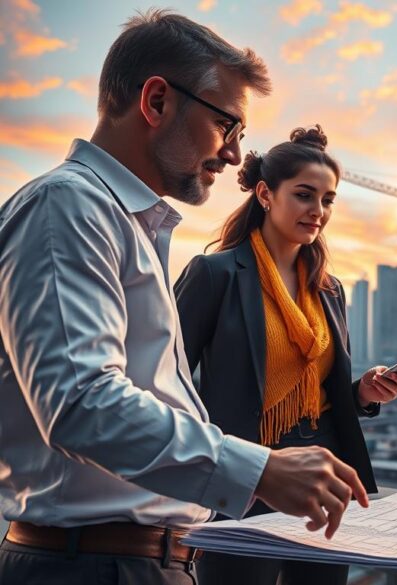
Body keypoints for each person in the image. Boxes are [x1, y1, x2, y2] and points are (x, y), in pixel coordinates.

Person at [0, 11, 370, 584]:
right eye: (229, 126)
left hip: (146, 559)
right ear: (156, 102)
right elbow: (81, 403)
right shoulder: (67, 208)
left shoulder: (129, 228)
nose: (233, 155)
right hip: (95, 566)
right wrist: (261, 468)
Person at [175, 124, 397, 584]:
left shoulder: (329, 289)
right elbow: (165, 384)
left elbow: (322, 396)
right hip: (246, 484)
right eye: (305, 195)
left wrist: (365, 393)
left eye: (328, 200)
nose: (318, 211)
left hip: (325, 487)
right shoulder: (215, 274)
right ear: (266, 194)